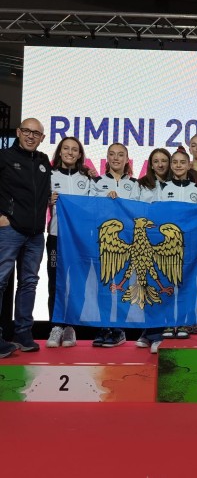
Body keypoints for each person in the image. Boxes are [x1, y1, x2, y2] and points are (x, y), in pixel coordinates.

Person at [137, 146, 197, 351]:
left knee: (185, 283)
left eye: (182, 162)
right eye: (174, 162)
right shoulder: (162, 188)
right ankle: (165, 323)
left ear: (189, 165)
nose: (178, 165)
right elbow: (155, 214)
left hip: (190, 244)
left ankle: (182, 322)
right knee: (165, 281)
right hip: (166, 246)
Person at [0, 118, 51, 358]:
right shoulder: (4, 157)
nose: (31, 136)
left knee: (29, 283)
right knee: (0, 281)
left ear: (42, 138)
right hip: (10, 230)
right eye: (27, 131)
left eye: (36, 133)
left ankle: (23, 333)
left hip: (36, 234)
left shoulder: (43, 161)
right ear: (19, 132)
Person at [90, 142, 140, 347]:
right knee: (103, 284)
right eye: (112, 154)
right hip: (103, 242)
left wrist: (122, 203)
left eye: (120, 155)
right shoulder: (96, 182)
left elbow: (139, 211)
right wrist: (105, 200)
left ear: (127, 159)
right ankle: (103, 327)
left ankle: (119, 329)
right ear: (107, 158)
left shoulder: (135, 184)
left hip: (127, 242)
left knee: (122, 284)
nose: (116, 158)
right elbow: (89, 209)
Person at [46, 137, 92, 348]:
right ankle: (56, 326)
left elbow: (93, 207)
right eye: (66, 148)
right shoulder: (49, 175)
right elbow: (38, 200)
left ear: (80, 154)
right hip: (56, 236)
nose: (70, 152)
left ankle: (70, 327)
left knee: (77, 282)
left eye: (74, 149)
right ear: (60, 151)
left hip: (80, 239)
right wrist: (48, 200)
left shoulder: (87, 178)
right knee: (55, 282)